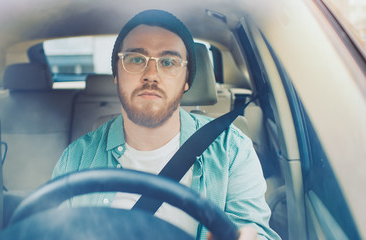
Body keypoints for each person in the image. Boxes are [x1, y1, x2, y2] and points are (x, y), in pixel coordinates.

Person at [52, 9, 280, 240]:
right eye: (136, 59)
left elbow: (254, 231)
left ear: (186, 81)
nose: (151, 74)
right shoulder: (76, 158)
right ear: (117, 75)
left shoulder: (232, 150)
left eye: (169, 62)